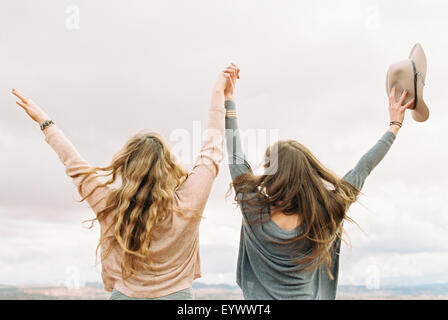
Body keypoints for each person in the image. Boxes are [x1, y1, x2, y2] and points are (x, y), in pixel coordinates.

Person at [11, 64, 235, 300]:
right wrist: (219, 95)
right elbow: (213, 148)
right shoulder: (189, 200)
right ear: (168, 165)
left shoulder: (109, 203)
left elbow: (75, 165)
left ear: (126, 165)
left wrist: (45, 122)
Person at [224, 66, 414, 299]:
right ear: (309, 172)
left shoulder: (253, 209)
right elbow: (363, 168)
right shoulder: (327, 212)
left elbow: (235, 157)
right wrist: (394, 126)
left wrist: (228, 101)